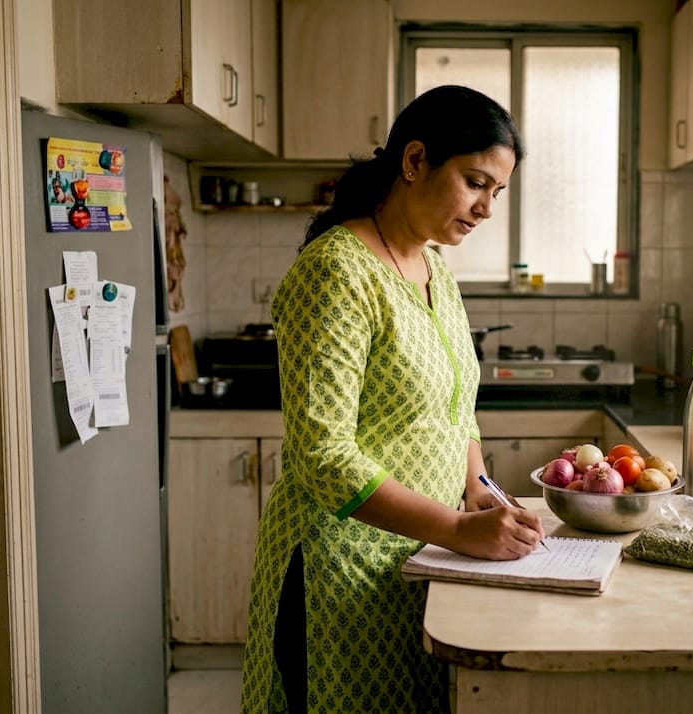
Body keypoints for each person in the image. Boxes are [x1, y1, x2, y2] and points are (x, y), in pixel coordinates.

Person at [240, 85, 535, 714]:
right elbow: (324, 457)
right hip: (334, 573)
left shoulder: (434, 268)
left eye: (497, 193)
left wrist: (476, 481)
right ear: (415, 160)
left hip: (410, 561)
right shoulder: (336, 272)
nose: (486, 208)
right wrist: (458, 528)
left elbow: (457, 404)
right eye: (476, 182)